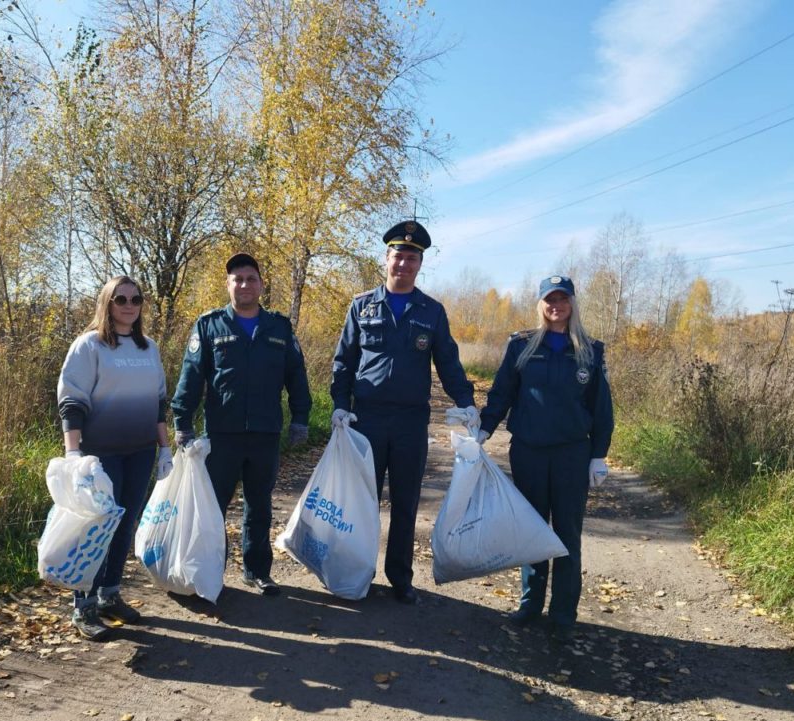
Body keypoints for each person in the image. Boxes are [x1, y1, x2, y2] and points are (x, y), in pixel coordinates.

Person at [331, 220, 478, 605]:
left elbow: (448, 361)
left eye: (412, 258)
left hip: (411, 422)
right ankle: (356, 571)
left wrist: (466, 402)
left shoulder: (432, 311)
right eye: (398, 256)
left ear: (419, 264)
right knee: (361, 501)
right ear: (386, 259)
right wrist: (340, 407)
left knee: (405, 501)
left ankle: (400, 577)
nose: (404, 264)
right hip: (367, 420)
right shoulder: (361, 306)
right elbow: (343, 362)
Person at [478, 274, 614, 641]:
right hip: (529, 452)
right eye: (549, 300)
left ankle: (564, 613)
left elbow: (601, 409)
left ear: (572, 304)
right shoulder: (522, 346)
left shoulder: (589, 350)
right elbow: (502, 392)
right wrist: (484, 430)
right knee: (533, 530)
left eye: (562, 299)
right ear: (540, 304)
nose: (556, 306)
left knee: (567, 533)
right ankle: (530, 604)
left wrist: (598, 455)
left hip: (572, 454)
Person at [172, 252, 311, 596]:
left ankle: (257, 571)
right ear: (228, 284)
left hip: (265, 434)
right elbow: (191, 376)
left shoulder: (279, 327)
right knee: (212, 507)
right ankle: (208, 571)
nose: (244, 285)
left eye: (251, 278)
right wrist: (182, 422)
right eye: (238, 279)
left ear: (261, 284)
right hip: (222, 435)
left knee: (259, 506)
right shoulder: (209, 325)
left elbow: (296, 375)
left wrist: (301, 419)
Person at [57, 275, 173, 640]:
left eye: (135, 299)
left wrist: (165, 448)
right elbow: (72, 400)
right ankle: (84, 606)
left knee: (125, 526)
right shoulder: (89, 346)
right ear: (106, 303)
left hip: (140, 452)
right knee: (96, 530)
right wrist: (73, 453)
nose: (128, 305)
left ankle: (109, 595)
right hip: (100, 455)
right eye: (119, 299)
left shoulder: (148, 348)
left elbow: (158, 403)